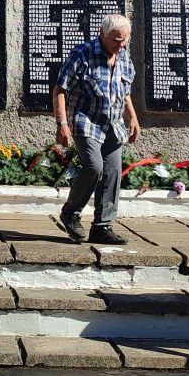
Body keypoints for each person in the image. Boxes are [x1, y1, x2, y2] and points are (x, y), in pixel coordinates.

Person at [52, 13, 140, 245]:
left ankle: (102, 226)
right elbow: (60, 88)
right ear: (102, 33)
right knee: (94, 167)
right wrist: (62, 124)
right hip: (85, 121)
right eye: (115, 40)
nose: (120, 45)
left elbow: (125, 91)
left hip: (113, 123)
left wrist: (132, 117)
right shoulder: (83, 53)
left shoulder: (123, 56)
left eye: (124, 40)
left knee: (112, 174)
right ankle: (71, 212)